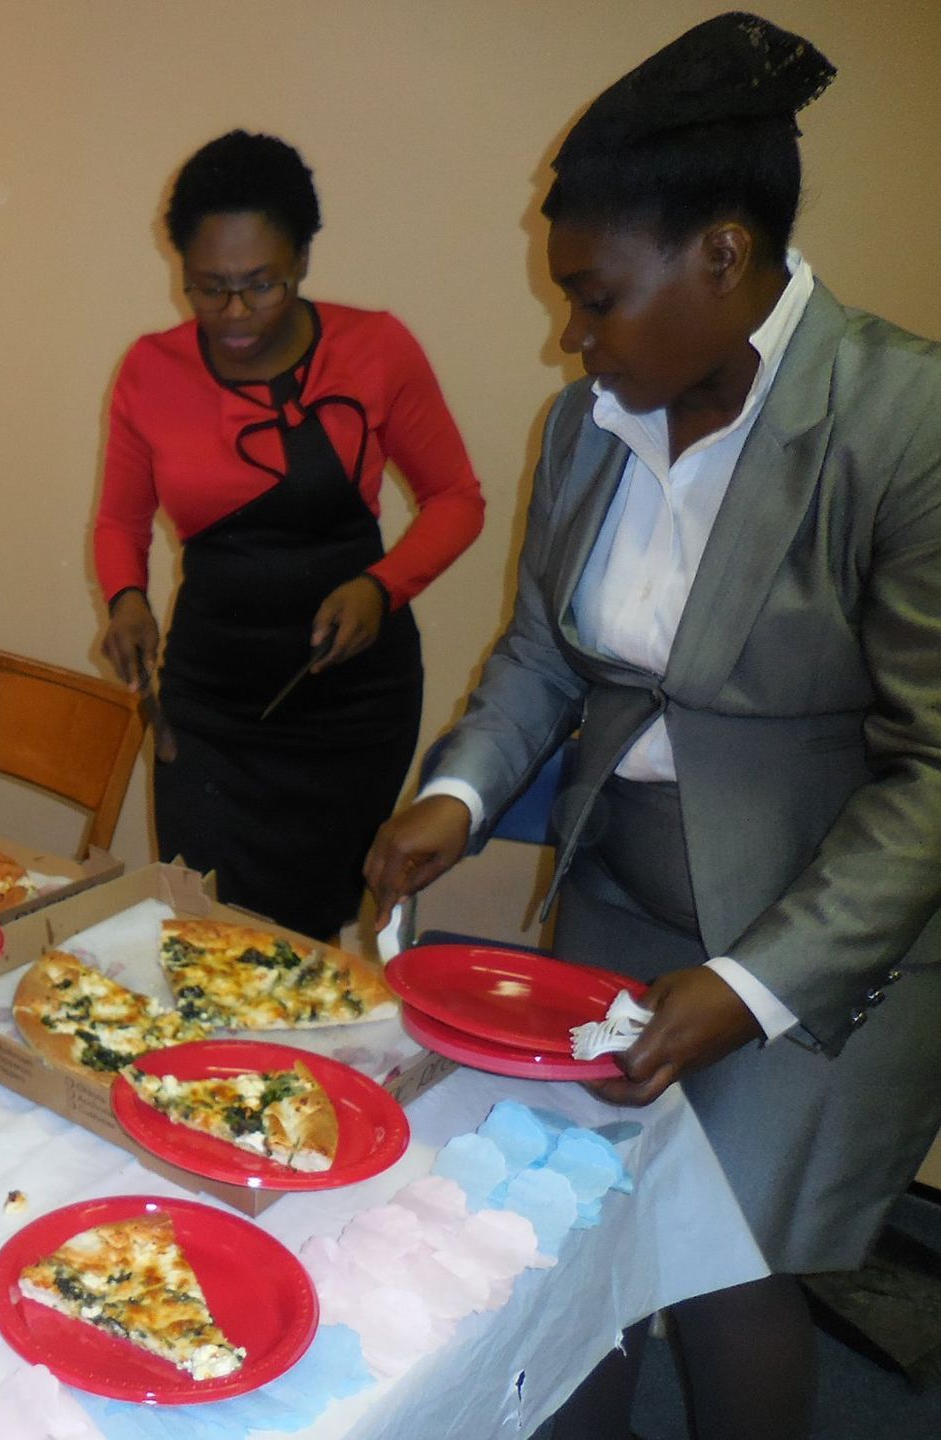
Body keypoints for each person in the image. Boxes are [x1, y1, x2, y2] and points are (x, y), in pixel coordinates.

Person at [364, 15, 941, 1440]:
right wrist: (454, 795)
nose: (571, 334)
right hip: (624, 891)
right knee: (576, 1231)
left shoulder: (901, 420)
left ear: (724, 260)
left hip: (827, 933)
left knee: (718, 1265)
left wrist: (750, 987)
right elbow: (543, 665)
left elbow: (937, 772)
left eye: (596, 296)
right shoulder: (586, 429)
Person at [94, 130, 484, 942]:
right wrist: (126, 598)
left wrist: (384, 586)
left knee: (309, 939)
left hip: (349, 710)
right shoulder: (149, 372)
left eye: (259, 285)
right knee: (205, 926)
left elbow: (457, 498)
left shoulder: (375, 350)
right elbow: (119, 521)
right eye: (207, 289)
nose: (233, 314)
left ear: (303, 258)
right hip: (208, 708)